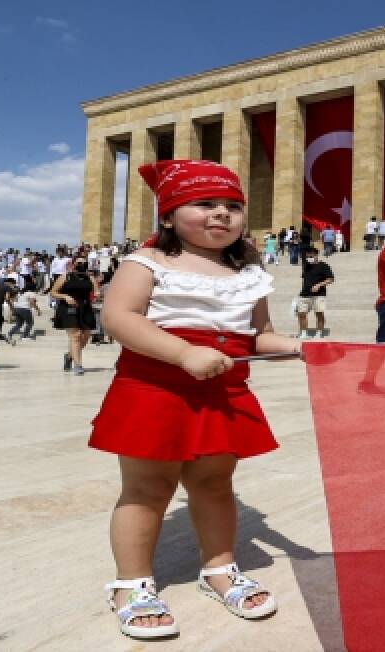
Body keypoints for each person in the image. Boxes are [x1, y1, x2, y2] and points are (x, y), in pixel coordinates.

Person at [90, 159, 299, 640]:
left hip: (222, 390)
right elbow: (120, 319)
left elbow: (258, 335)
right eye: (204, 204)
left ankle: (220, 568)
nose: (221, 214)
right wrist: (183, 352)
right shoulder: (147, 263)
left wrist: (295, 347)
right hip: (154, 388)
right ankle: (131, 583)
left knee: (215, 483)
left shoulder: (249, 271)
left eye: (232, 206)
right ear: (167, 216)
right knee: (146, 490)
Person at [51, 257, 97, 375]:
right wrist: (65, 297)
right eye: (79, 263)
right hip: (68, 308)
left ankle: (69, 355)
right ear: (73, 264)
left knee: (86, 336)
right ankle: (78, 365)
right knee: (76, 335)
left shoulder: (90, 278)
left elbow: (96, 292)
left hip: (85, 307)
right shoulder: (65, 277)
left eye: (84, 263)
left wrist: (97, 294)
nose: (82, 265)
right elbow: (53, 292)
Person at [295, 246, 333, 338]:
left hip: (319, 295)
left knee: (319, 313)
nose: (309, 258)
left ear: (316, 255)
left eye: (311, 256)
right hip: (304, 294)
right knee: (301, 313)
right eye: (308, 256)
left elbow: (330, 279)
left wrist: (319, 285)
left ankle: (319, 333)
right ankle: (303, 333)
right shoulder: (306, 266)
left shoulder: (324, 266)